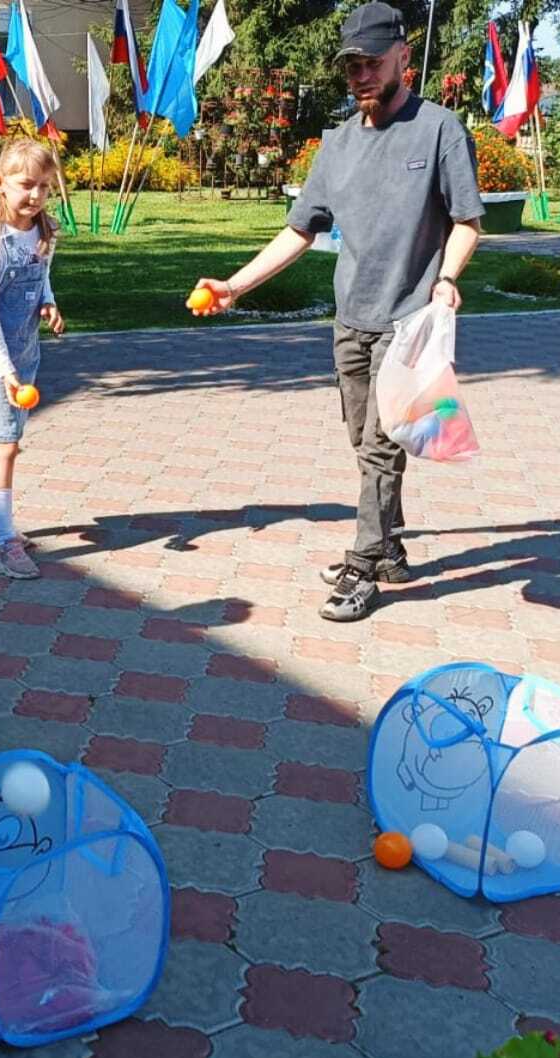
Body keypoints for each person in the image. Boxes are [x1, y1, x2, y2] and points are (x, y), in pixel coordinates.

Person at [189, 1, 483, 622]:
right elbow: (300, 231)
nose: (362, 75)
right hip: (351, 321)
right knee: (363, 442)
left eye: (372, 62)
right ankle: (391, 547)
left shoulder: (439, 130)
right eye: (352, 66)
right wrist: (234, 287)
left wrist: (446, 279)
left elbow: (466, 222)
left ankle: (363, 566)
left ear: (402, 56)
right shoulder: (339, 143)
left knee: (380, 447)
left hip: (408, 324)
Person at [0, 139, 63, 580]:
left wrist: (48, 301)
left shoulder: (45, 231)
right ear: (0, 183)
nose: (35, 195)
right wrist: (5, 371)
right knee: (5, 444)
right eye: (26, 185)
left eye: (44, 186)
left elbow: (43, 276)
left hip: (24, 345)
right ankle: (3, 542)